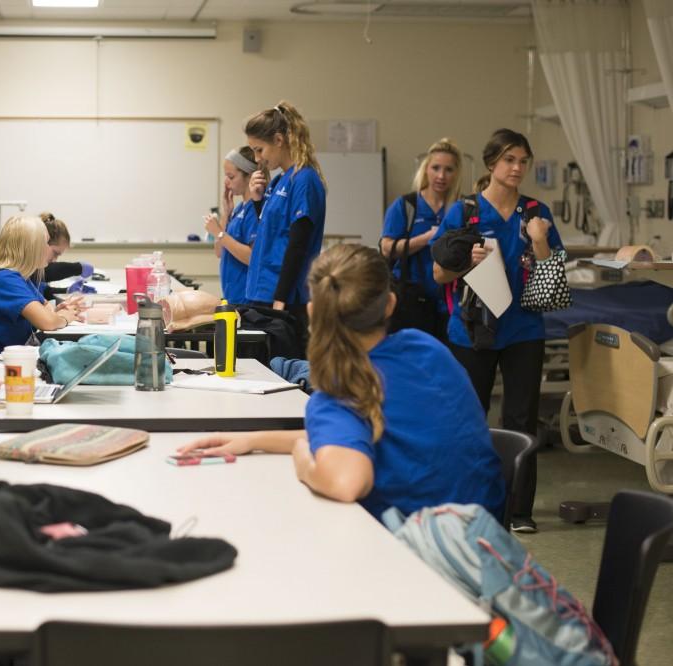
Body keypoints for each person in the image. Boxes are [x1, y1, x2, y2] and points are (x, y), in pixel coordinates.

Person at [178, 244, 504, 522]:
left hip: (419, 559)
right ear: (389, 304)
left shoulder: (339, 389)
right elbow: (360, 431)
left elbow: (347, 481)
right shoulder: (425, 348)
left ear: (312, 311)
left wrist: (305, 458)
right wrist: (254, 440)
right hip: (482, 535)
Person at [431, 128, 563, 534]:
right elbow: (438, 273)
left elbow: (553, 272)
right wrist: (465, 262)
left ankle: (520, 510)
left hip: (523, 327)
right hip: (473, 330)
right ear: (491, 164)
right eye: (509, 159)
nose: (517, 168)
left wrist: (539, 241)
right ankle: (471, 501)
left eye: (523, 161)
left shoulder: (536, 212)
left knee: (522, 419)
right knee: (472, 415)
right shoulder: (465, 212)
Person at [243, 101, 326, 349]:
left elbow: (298, 243)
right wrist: (258, 201)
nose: (258, 159)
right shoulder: (279, 180)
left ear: (279, 140)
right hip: (261, 292)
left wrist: (280, 299)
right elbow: (270, 234)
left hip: (284, 299)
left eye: (259, 150)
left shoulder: (305, 179)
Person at [0, 215, 81, 365]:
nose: (48, 248)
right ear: (30, 247)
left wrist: (56, 313)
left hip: (0, 363)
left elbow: (46, 310)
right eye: (45, 242)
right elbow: (47, 322)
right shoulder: (4, 279)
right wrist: (65, 317)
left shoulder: (21, 278)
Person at [380, 138, 462, 340]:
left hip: (448, 303)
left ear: (456, 173)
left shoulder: (460, 209)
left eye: (448, 170)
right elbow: (386, 248)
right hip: (410, 300)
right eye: (436, 168)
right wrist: (427, 238)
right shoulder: (406, 206)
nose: (441, 176)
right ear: (426, 169)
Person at [203, 146, 260, 304]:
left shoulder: (254, 210)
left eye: (231, 176)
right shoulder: (239, 208)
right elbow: (220, 251)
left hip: (247, 299)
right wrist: (226, 213)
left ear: (248, 176)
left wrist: (219, 233)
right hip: (232, 296)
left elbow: (252, 257)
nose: (226, 183)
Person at [39, 211, 94, 297]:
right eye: (55, 253)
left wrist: (67, 291)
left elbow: (42, 291)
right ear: (43, 243)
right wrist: (78, 268)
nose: (55, 259)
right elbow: (46, 272)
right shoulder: (26, 268)